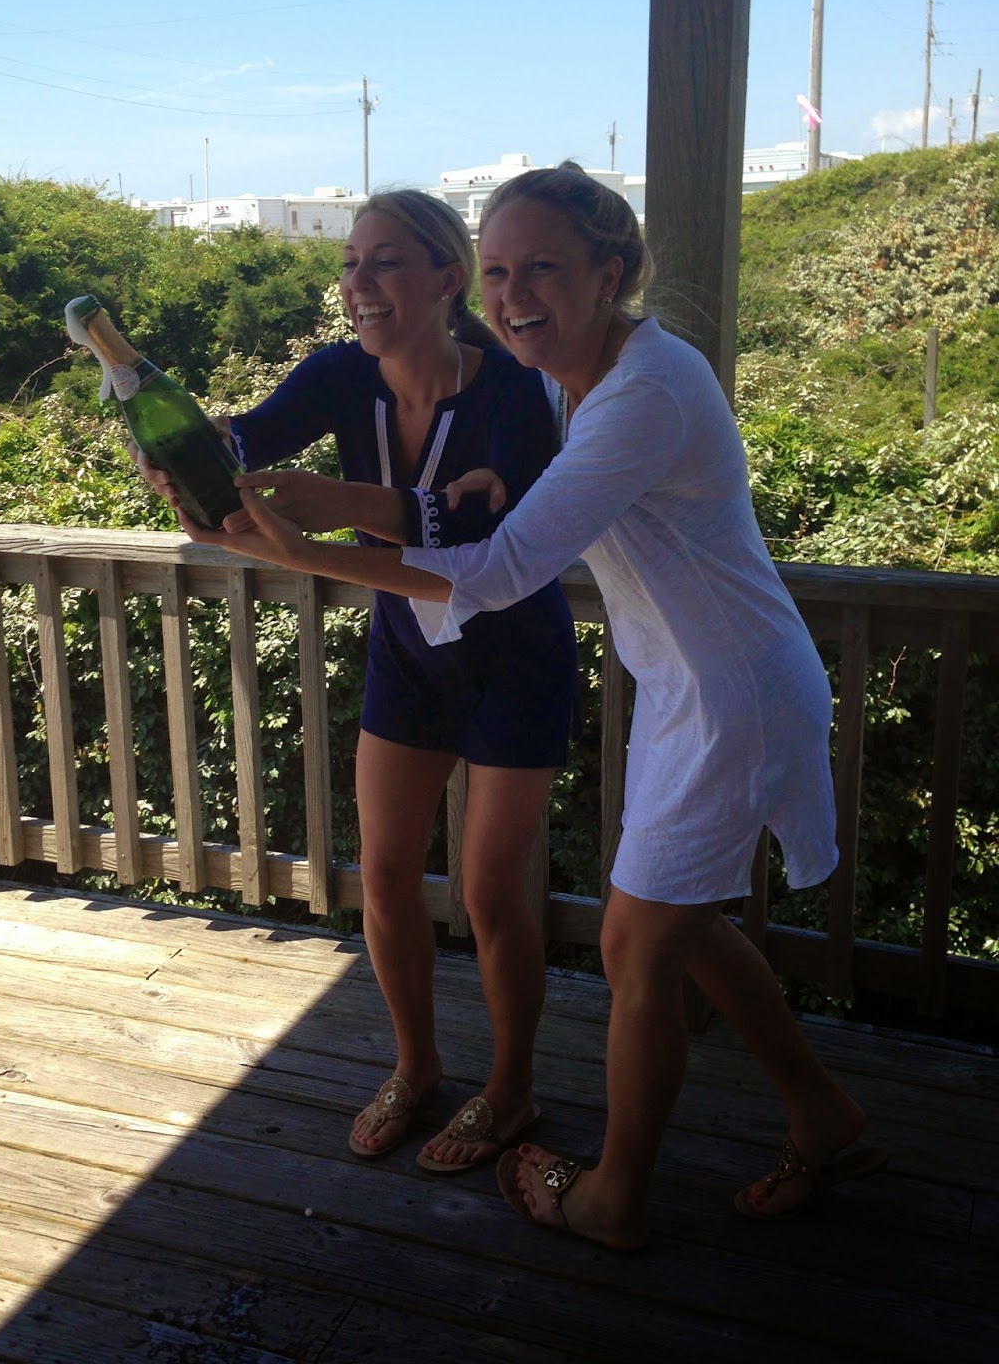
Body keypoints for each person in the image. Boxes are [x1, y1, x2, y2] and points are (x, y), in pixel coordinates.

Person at [172, 164, 888, 1249]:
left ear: (610, 272)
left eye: (541, 268)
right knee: (682, 928)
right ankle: (823, 1117)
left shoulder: (644, 392)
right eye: (500, 272)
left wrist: (306, 549)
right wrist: (460, 488)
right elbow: (499, 501)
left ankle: (613, 1197)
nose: (513, 296)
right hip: (691, 685)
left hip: (734, 694)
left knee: (636, 947)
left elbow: (504, 569)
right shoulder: (566, 379)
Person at [141, 189, 578, 1174]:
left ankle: (511, 1091)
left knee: (490, 891)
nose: (358, 283)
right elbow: (247, 441)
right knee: (382, 877)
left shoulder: (516, 390)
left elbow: (490, 532)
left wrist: (340, 503)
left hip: (517, 659)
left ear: (447, 279)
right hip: (409, 656)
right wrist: (183, 454)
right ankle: (416, 1067)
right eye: (349, 263)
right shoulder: (339, 375)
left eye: (384, 261)